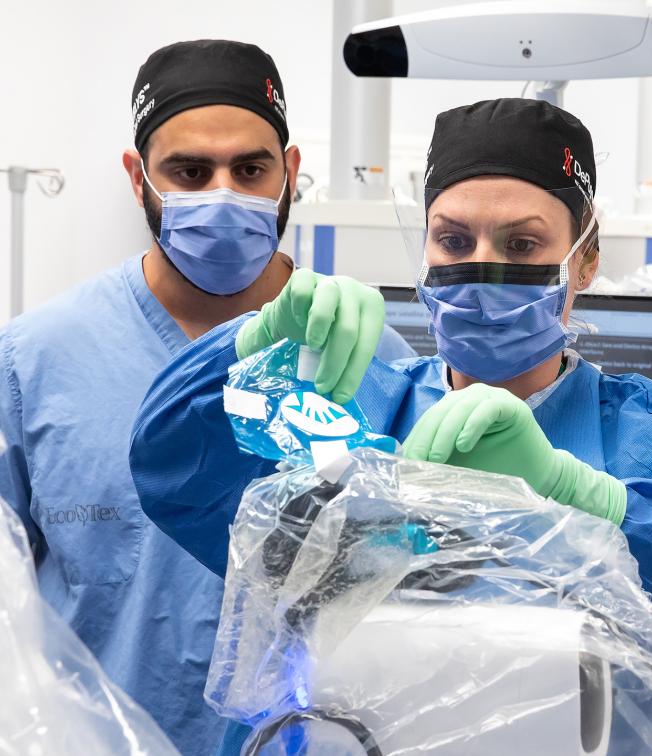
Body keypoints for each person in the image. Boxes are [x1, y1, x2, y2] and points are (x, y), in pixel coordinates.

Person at [129, 99, 652, 753]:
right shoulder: (349, 412)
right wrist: (257, 340)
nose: (482, 267)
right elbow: (175, 468)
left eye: (521, 244)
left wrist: (573, 490)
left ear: (584, 260)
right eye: (455, 241)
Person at [0, 39, 412, 756]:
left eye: (250, 170)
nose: (223, 194)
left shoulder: (372, 360)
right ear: (138, 178)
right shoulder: (36, 360)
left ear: (289, 173)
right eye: (189, 172)